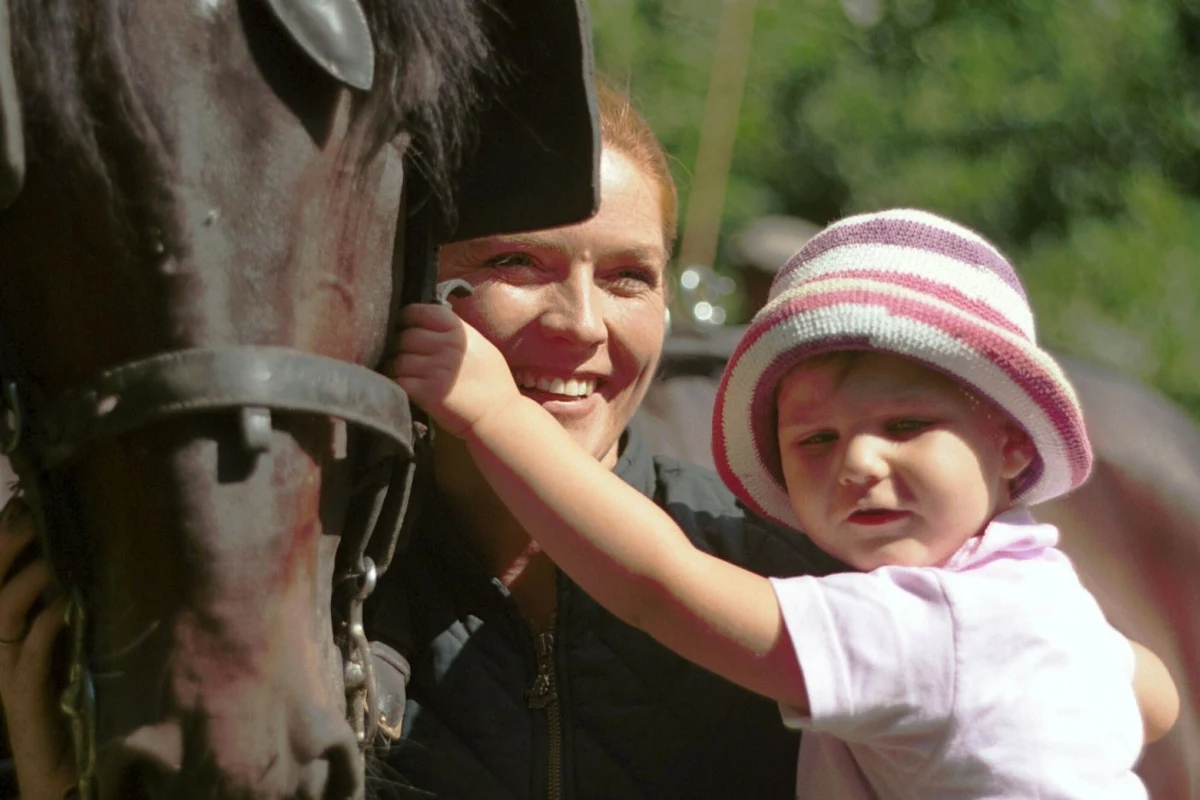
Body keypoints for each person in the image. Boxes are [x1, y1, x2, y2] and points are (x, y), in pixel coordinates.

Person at [0, 84, 842, 799]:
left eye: (628, 276)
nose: (583, 324)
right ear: (410, 286)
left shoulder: (788, 577)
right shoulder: (288, 595)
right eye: (519, 263)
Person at [393, 208, 1181, 797]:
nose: (861, 462)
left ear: (1012, 446)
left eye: (906, 425)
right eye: (816, 442)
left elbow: (659, 586)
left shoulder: (918, 629)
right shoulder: (1036, 600)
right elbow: (1156, 697)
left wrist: (496, 414)